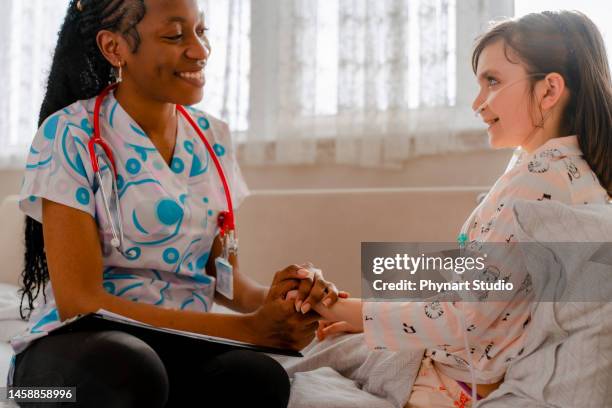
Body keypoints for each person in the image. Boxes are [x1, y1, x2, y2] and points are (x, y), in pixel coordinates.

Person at [8, 1, 343, 407]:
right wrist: (251, 330)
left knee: (257, 379)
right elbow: (81, 301)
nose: (200, 50)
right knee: (130, 371)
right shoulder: (70, 134)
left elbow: (224, 279)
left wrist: (288, 302)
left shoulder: (211, 136)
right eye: (174, 35)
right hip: (71, 358)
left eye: (201, 32)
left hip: (177, 344)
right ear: (115, 47)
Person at [308, 10, 612, 408]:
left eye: (493, 82)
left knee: (299, 361)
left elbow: (462, 318)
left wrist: (340, 308)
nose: (477, 103)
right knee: (337, 340)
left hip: (452, 384)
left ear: (549, 91)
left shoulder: (536, 183)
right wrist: (357, 316)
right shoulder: (573, 174)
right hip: (461, 369)